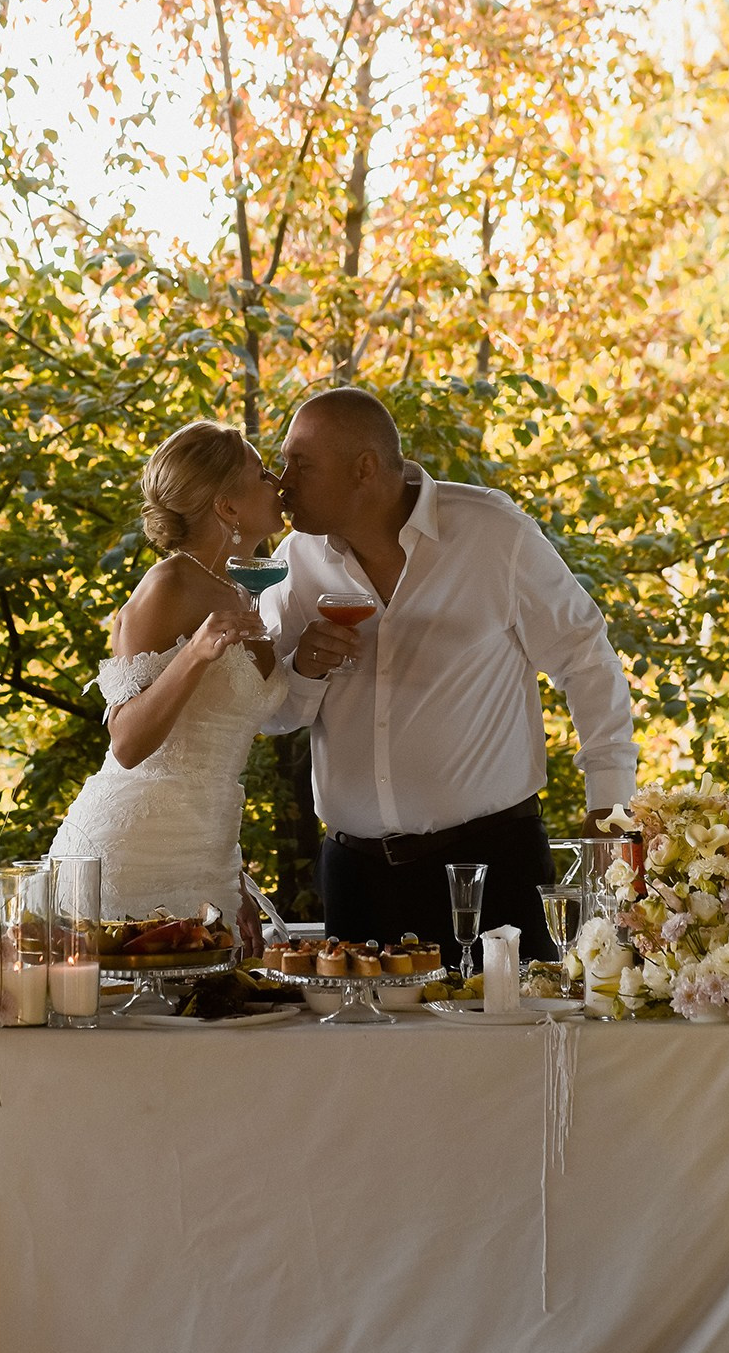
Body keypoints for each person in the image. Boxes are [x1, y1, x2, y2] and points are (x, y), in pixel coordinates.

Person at [258, 388, 638, 963]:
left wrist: (610, 804)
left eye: (300, 464)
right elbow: (273, 715)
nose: (282, 482)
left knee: (513, 1024)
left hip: (493, 866)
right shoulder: (295, 561)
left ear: (364, 468)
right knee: (354, 1029)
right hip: (354, 879)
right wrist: (303, 670)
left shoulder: (493, 533)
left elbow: (585, 659)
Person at [49, 420, 286, 952]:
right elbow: (127, 743)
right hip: (130, 858)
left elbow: (205, 753)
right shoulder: (167, 585)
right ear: (227, 506)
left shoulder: (244, 590)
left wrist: (233, 876)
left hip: (208, 856)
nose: (278, 481)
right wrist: (196, 654)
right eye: (261, 473)